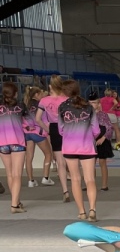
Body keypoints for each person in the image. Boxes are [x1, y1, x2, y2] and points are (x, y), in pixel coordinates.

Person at [59, 79, 100, 221]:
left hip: (69, 147)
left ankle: (82, 212)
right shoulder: (88, 107)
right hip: (87, 146)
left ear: (65, 92)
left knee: (75, 179)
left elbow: (60, 129)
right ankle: (92, 209)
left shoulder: (62, 107)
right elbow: (96, 129)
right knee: (90, 179)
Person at [37, 75, 70, 202]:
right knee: (72, 161)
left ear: (50, 86)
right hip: (68, 128)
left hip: (55, 128)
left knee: (60, 163)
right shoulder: (67, 99)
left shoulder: (44, 100)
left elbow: (38, 119)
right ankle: (76, 185)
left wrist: (48, 130)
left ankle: (65, 191)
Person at [0, 81, 27, 213]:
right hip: (17, 142)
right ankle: (14, 205)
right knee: (17, 175)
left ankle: (16, 201)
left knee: (10, 174)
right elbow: (28, 123)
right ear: (15, 93)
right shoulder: (21, 106)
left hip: (2, 143)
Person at [22, 85, 54, 189]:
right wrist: (48, 131)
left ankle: (30, 181)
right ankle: (46, 177)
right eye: (40, 93)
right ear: (36, 94)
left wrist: (26, 127)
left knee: (29, 157)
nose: (42, 95)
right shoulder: (40, 105)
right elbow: (42, 120)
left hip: (27, 133)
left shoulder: (25, 104)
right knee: (48, 154)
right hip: (38, 133)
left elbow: (22, 120)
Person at [89, 92, 114, 192]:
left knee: (102, 162)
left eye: (94, 103)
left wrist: (103, 138)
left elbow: (109, 128)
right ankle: (91, 184)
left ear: (98, 104)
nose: (92, 105)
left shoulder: (103, 115)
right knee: (91, 164)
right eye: (90, 103)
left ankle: (104, 185)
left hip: (102, 141)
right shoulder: (86, 115)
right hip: (90, 141)